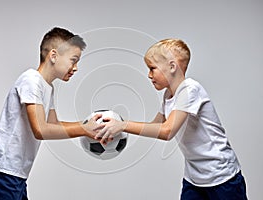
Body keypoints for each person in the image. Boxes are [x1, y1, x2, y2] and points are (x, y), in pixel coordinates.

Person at [96, 39, 248, 199]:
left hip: (222, 176)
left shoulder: (190, 90)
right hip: (195, 178)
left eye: (152, 69)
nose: (149, 75)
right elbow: (154, 126)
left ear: (172, 66)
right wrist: (115, 129)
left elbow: (167, 131)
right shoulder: (169, 94)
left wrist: (123, 125)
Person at [0, 27, 104, 200]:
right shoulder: (31, 80)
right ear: (53, 56)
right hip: (3, 171)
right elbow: (40, 129)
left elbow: (53, 125)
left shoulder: (47, 87)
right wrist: (84, 130)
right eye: (73, 60)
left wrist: (87, 126)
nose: (75, 68)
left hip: (17, 173)